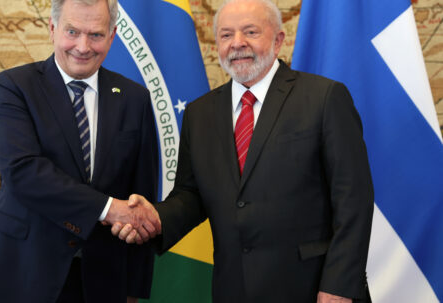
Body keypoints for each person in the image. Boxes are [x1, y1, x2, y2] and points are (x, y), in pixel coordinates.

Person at [111, 0, 374, 302]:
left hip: (312, 289)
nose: (237, 43)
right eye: (226, 35)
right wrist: (155, 217)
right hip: (233, 289)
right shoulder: (201, 113)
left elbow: (354, 202)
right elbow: (191, 195)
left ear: (278, 41)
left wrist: (339, 287)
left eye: (250, 31)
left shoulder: (324, 98)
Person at [0, 0, 161, 302]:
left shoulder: (135, 99)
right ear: (53, 29)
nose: (82, 46)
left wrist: (134, 288)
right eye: (72, 31)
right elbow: (24, 172)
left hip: (102, 281)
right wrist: (110, 208)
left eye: (95, 34)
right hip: (21, 274)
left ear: (113, 36)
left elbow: (141, 193)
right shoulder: (14, 87)